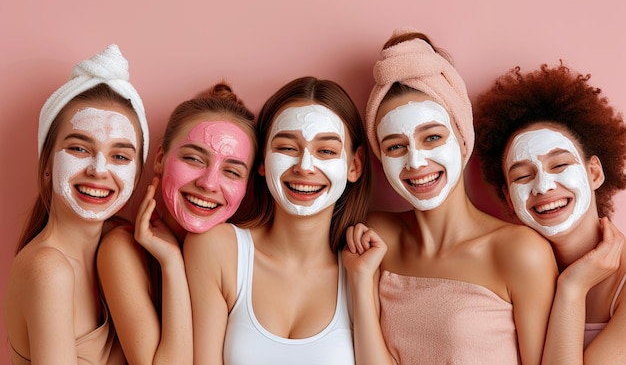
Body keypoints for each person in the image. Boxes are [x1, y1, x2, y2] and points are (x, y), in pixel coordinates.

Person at [343, 28, 558, 365]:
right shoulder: (374, 237)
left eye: (431, 138)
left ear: (461, 138)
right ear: (379, 157)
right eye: (395, 146)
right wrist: (359, 279)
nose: (415, 162)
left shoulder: (520, 252)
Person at [184, 76, 371, 365]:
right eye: (287, 148)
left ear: (354, 165)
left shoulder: (367, 266)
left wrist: (361, 280)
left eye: (326, 151)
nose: (305, 167)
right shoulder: (218, 249)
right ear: (262, 160)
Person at [3, 44, 149, 365]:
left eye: (120, 156)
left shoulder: (119, 245)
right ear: (47, 164)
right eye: (80, 149)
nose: (99, 169)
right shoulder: (49, 270)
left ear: (137, 176)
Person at [474, 63, 626, 364]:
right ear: (508, 197)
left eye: (559, 165)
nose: (543, 186)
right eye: (521, 176)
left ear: (594, 172)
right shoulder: (516, 270)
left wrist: (572, 288)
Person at [97, 82, 257, 365]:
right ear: (160, 159)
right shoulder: (121, 250)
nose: (208, 183)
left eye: (232, 171)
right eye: (194, 159)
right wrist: (171, 263)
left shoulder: (243, 257)